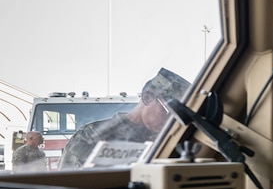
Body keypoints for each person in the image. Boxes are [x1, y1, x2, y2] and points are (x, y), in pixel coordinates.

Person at [58, 68, 191, 169]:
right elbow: (66, 185)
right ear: (147, 98)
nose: (171, 119)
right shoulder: (92, 134)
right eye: (168, 111)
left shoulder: (167, 139)